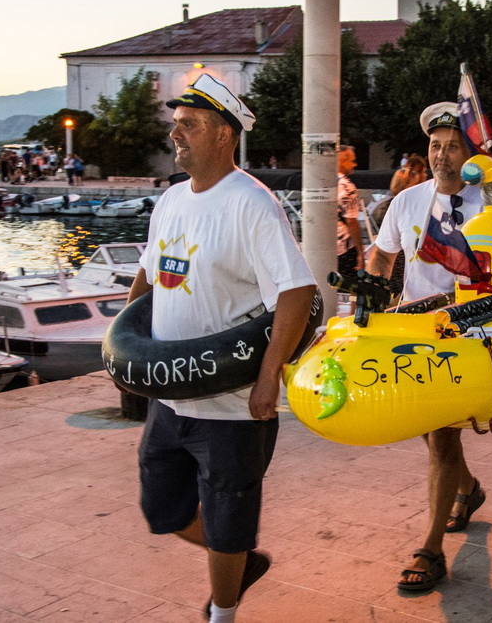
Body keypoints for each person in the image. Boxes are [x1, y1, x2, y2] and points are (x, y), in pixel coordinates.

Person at [128, 73, 316, 623]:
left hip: (231, 405)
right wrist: (126, 347)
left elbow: (297, 291)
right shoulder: (170, 201)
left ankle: (223, 610)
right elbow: (146, 281)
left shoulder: (251, 204)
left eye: (189, 125)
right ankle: (236, 560)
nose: (176, 134)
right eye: (176, 125)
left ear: (222, 135)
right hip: (170, 397)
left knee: (229, 514)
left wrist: (267, 378)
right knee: (161, 508)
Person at [366, 102, 485, 591]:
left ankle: (431, 549)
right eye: (435, 146)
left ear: (469, 152)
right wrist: (370, 305)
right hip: (414, 329)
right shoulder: (407, 201)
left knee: (440, 436)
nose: (442, 155)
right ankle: (468, 489)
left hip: (468, 327)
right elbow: (381, 256)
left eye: (453, 145)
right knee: (427, 427)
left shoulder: (490, 202)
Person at [336, 145, 365, 273]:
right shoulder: (347, 187)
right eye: (352, 161)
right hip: (343, 248)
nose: (355, 164)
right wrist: (360, 253)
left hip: (321, 248)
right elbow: (351, 222)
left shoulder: (319, 182)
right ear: (342, 162)